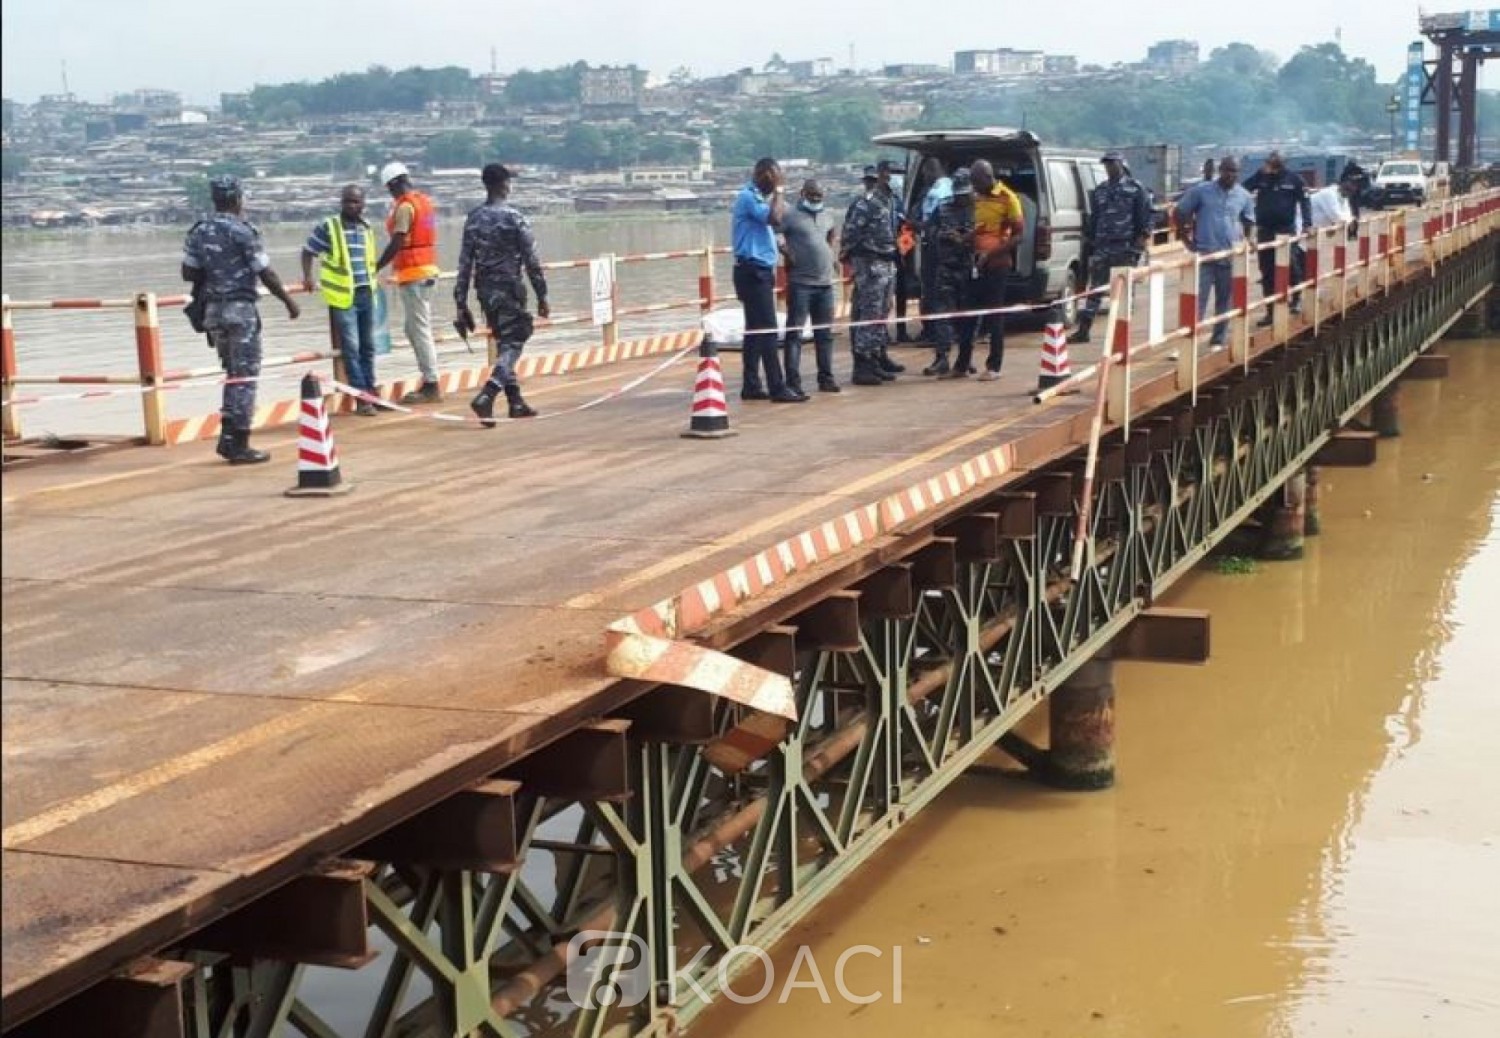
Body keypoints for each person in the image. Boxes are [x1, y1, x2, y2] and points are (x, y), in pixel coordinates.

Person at [181, 175, 300, 464]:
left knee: (232, 374)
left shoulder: (198, 231)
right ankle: (239, 442)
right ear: (238, 199)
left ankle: (228, 438)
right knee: (245, 377)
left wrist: (215, 271)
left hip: (213, 313)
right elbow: (266, 273)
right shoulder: (243, 231)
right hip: (240, 311)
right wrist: (288, 301)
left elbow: (188, 273)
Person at [458, 164, 549, 426]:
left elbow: (465, 263)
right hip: (509, 288)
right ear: (503, 185)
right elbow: (532, 261)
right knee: (514, 342)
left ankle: (516, 402)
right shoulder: (514, 218)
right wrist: (542, 295)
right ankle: (488, 394)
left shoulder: (473, 218)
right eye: (509, 181)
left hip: (485, 291)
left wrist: (460, 302)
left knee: (503, 343)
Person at [301, 185, 380, 415]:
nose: (351, 206)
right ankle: (360, 396)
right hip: (343, 296)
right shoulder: (330, 227)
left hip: (366, 292)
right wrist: (307, 277)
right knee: (352, 348)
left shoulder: (367, 228)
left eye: (355, 202)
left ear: (363, 204)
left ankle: (370, 390)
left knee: (369, 347)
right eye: (347, 201)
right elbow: (308, 251)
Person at [732, 157, 802, 402]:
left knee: (754, 330)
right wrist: (781, 191)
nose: (777, 182)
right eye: (775, 176)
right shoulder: (748, 197)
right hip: (752, 271)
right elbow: (775, 218)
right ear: (763, 174)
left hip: (760, 269)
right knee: (768, 329)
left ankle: (751, 384)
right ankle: (777, 386)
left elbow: (771, 230)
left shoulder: (759, 198)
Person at [375, 162, 444, 404]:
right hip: (424, 272)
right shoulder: (423, 203)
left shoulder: (405, 207)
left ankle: (431, 383)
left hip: (415, 275)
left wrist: (376, 265)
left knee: (419, 329)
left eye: (388, 188)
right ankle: (429, 378)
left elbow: (398, 241)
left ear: (393, 184)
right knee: (412, 328)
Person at [952, 159, 1025, 381]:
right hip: (975, 265)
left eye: (976, 181)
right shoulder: (977, 198)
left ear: (987, 177)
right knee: (968, 315)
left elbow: (1019, 236)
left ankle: (994, 366)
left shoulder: (1008, 198)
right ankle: (962, 364)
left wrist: (990, 254)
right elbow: (980, 229)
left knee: (994, 316)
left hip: (997, 265)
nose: (973, 186)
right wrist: (963, 239)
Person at [1070, 151, 1153, 345]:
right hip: (1103, 247)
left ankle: (1122, 335)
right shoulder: (1100, 190)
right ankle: (1083, 330)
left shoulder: (1135, 189)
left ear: (1121, 164)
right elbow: (1095, 219)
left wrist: (1140, 242)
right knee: (1095, 290)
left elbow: (1147, 217)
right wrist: (1091, 243)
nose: (1108, 167)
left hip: (1125, 248)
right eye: (1106, 164)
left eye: (1112, 163)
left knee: (1124, 293)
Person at [1173, 157, 1255, 350]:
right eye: (1227, 170)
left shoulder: (1243, 195)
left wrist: (1248, 240)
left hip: (1229, 256)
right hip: (1205, 255)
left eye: (1234, 171)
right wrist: (1185, 239)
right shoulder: (1201, 191)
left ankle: (1217, 340)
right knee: (1196, 300)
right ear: (1220, 170)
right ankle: (1187, 343)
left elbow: (1249, 220)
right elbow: (1180, 211)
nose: (1230, 175)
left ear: (1239, 173)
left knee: (1224, 300)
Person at [839, 160, 902, 386]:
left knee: (882, 312)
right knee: (869, 314)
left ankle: (875, 359)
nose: (882, 182)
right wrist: (853, 258)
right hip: (871, 263)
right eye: (876, 179)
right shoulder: (866, 204)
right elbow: (852, 232)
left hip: (886, 262)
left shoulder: (889, 202)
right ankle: (863, 365)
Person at [778, 179, 840, 393]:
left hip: (825, 285)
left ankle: (826, 378)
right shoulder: (790, 215)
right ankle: (793, 382)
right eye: (812, 195)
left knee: (824, 334)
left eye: (819, 196)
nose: (815, 200)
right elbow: (774, 232)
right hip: (801, 283)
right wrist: (786, 252)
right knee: (795, 333)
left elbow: (831, 233)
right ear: (803, 193)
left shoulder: (827, 214)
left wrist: (833, 257)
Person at [1243, 151, 1313, 324]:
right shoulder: (1261, 177)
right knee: (1267, 271)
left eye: (1275, 163)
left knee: (1291, 266)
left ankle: (1295, 298)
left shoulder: (1294, 179)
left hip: (1285, 230)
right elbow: (1243, 191)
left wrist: (1307, 224)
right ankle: (1270, 311)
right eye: (1269, 162)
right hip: (1265, 230)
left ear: (1283, 163)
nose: (1271, 166)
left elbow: (1305, 201)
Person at [920, 167, 975, 377]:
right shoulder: (942, 208)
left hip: (968, 269)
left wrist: (966, 238)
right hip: (945, 268)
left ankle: (965, 359)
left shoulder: (977, 208)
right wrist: (944, 236)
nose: (962, 199)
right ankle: (942, 357)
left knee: (967, 317)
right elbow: (929, 230)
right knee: (942, 315)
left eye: (965, 195)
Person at [880, 159, 916, 348]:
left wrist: (905, 247)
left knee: (901, 291)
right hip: (881, 254)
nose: (894, 177)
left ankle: (901, 330)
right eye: (891, 172)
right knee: (883, 296)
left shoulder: (897, 201)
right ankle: (882, 332)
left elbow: (905, 224)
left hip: (898, 252)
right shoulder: (876, 201)